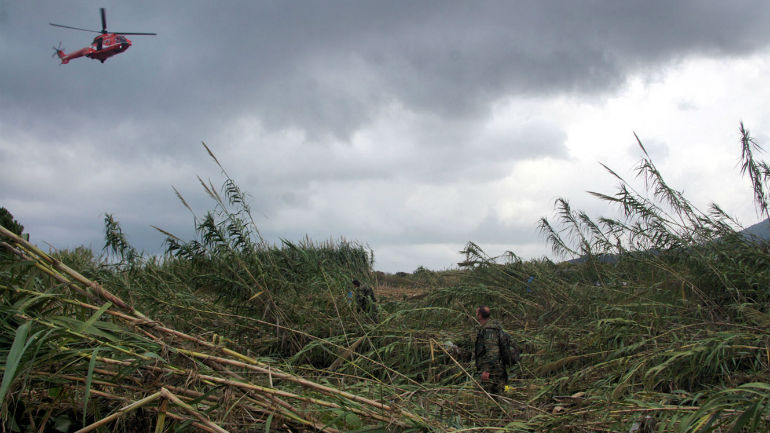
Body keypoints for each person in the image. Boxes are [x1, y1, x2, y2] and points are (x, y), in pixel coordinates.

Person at [473, 305, 507, 396]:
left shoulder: (489, 330)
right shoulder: (490, 328)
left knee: (486, 397)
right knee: (495, 397)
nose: (476, 314)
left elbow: (492, 351)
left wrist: (486, 371)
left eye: (477, 313)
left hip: (493, 372)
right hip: (495, 369)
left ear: (480, 316)